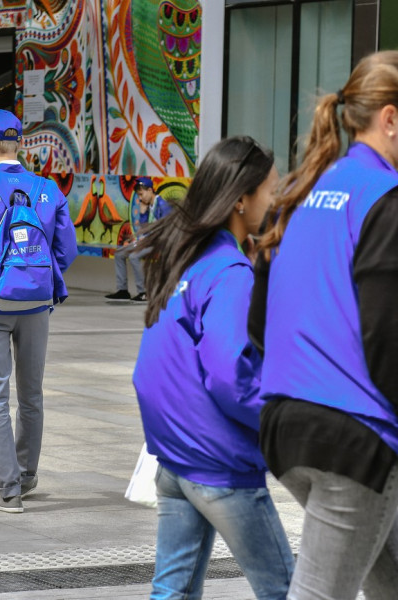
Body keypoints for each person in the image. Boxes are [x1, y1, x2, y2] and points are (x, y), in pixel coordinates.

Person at [249, 51, 398, 600]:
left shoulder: (301, 190)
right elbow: (384, 329)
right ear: (389, 118)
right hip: (357, 438)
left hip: (287, 427)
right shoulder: (384, 196)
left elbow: (258, 324)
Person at [133, 136, 294, 599]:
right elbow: (231, 375)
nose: (276, 199)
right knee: (289, 590)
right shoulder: (229, 273)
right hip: (219, 467)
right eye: (271, 189)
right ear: (241, 200)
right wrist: (281, 424)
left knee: (173, 592)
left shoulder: (187, 259)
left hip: (174, 459)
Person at [0, 109, 78, 513]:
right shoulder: (47, 189)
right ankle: (26, 475)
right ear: (18, 143)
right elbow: (66, 250)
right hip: (37, 305)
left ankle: (9, 491)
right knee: (32, 393)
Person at [104, 177, 171, 302]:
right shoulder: (149, 206)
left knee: (134, 256)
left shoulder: (162, 205)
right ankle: (122, 290)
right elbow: (144, 228)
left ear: (150, 190)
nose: (140, 198)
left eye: (141, 194)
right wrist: (143, 213)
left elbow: (167, 229)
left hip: (161, 242)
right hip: (148, 240)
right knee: (119, 254)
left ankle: (143, 292)